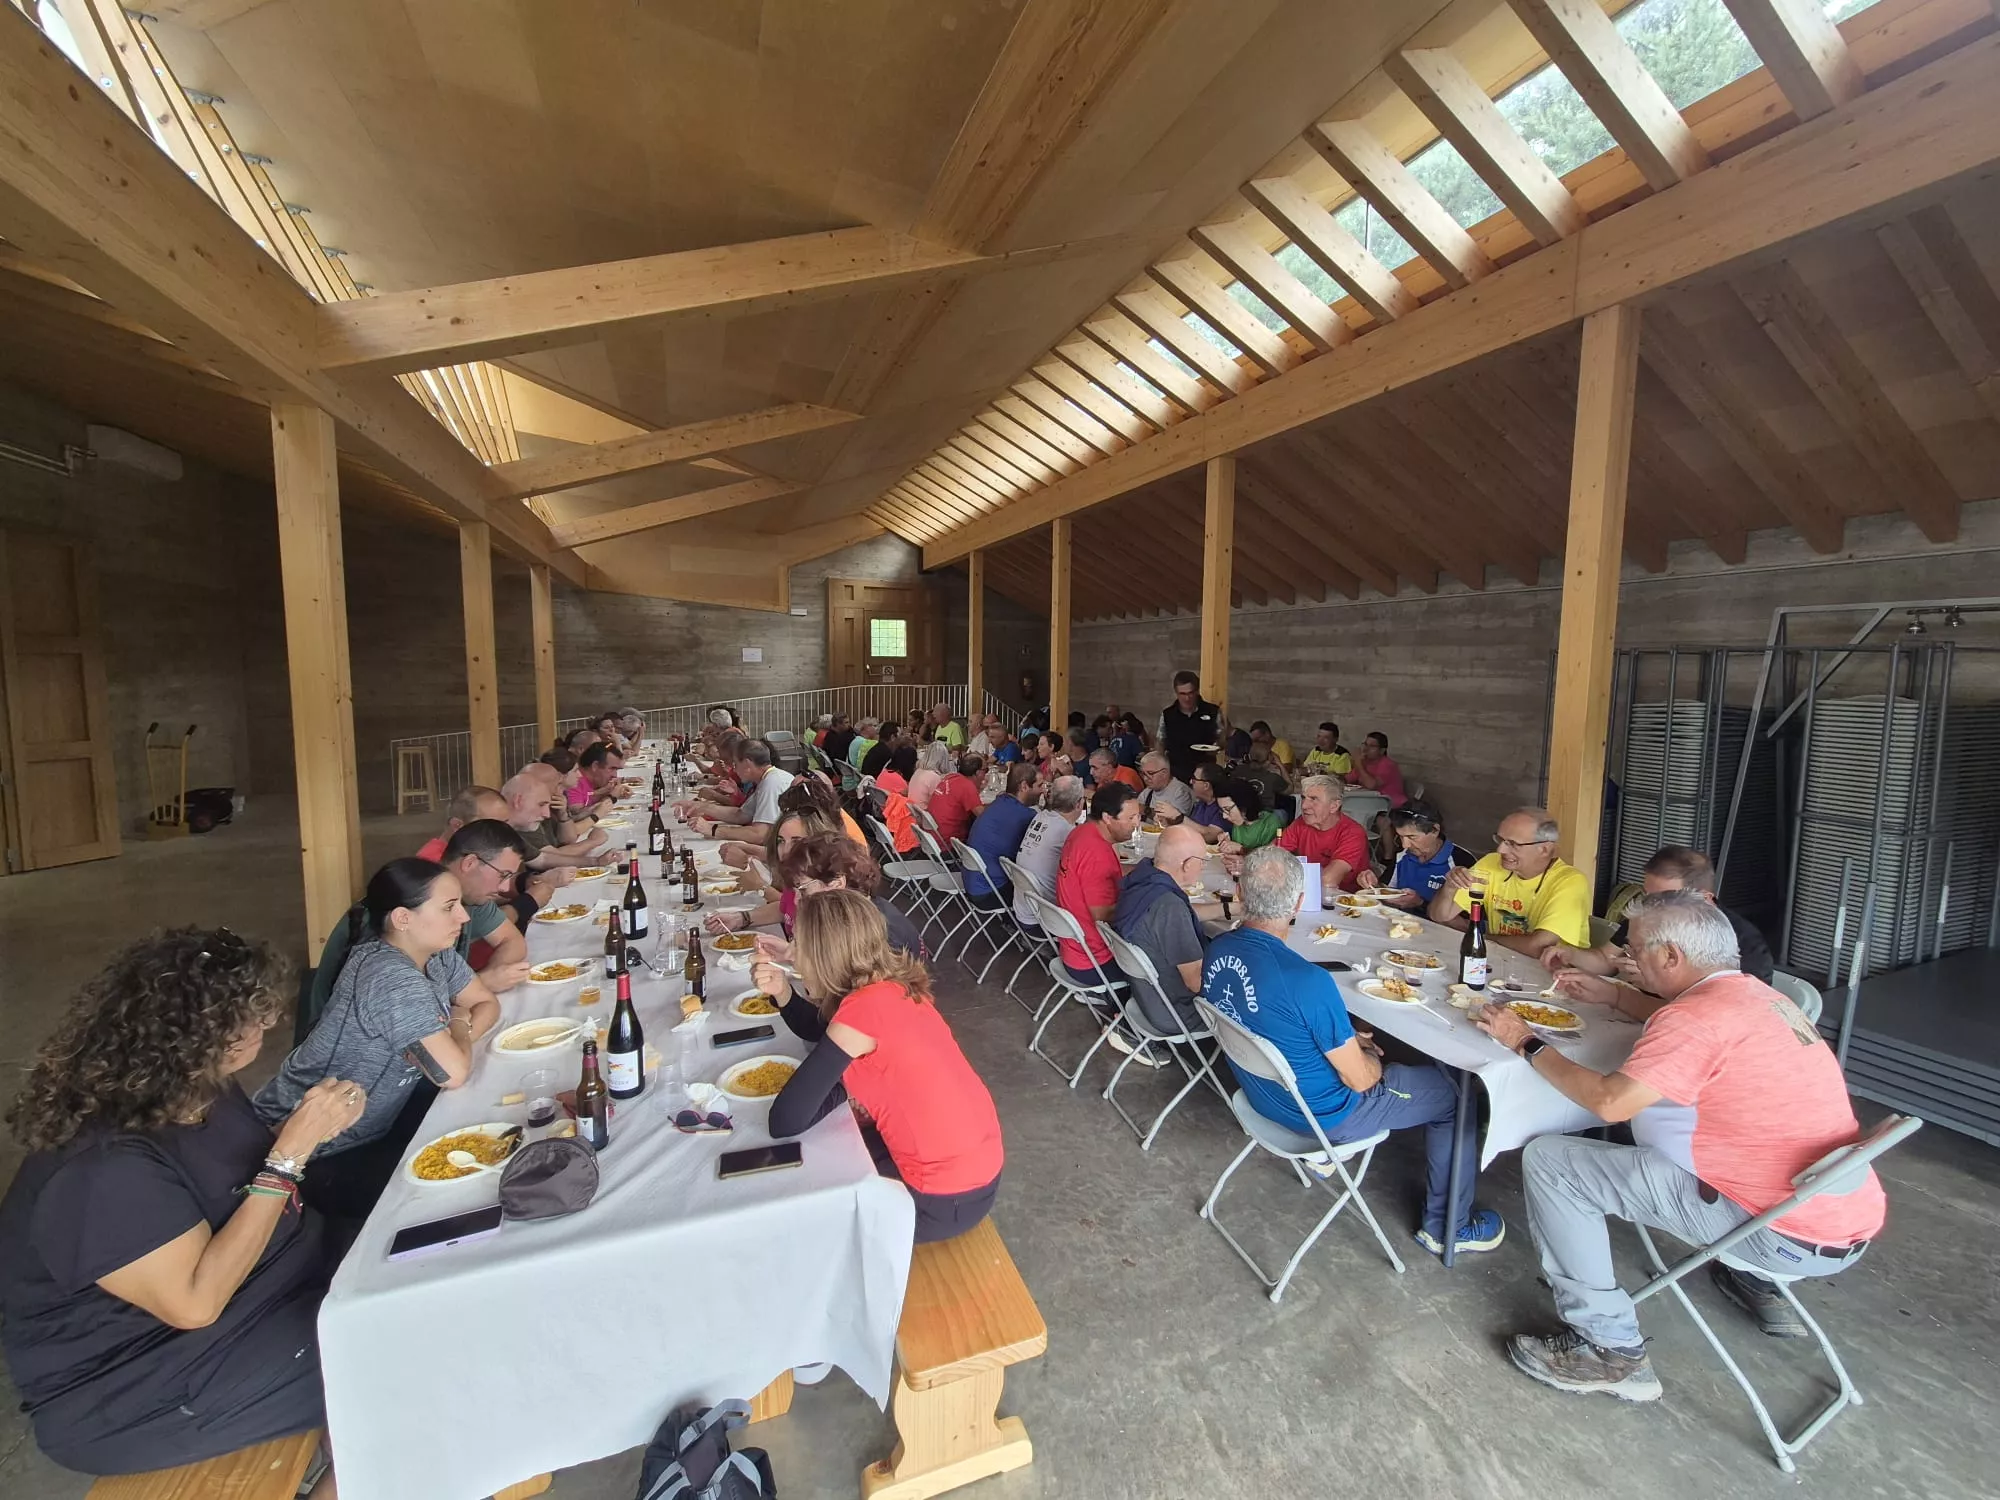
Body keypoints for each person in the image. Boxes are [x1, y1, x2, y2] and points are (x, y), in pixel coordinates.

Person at [1474, 892, 1886, 1400]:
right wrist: (1616, 996)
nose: (1627, 956)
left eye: (1638, 948)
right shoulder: (1761, 997)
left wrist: (1523, 1041)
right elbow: (1693, 1023)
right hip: (1838, 1217)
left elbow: (1608, 1103)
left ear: (1672, 957)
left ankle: (1610, 1349)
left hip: (1774, 1229)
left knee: (1553, 1162)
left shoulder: (1694, 1020)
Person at [0, 930, 364, 1486]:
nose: (266, 1029)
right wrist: (290, 1154)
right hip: (145, 1380)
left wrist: (312, 1129)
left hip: (267, 1288)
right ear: (195, 1035)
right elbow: (195, 1304)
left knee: (414, 1260)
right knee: (393, 1355)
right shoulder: (99, 1169)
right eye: (251, 1019)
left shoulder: (196, 1086)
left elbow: (223, 1174)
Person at [1203, 849, 1502, 1254]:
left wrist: (1345, 1040)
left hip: (1260, 1097)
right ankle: (1448, 1227)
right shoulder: (1307, 981)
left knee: (1361, 1046)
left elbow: (1269, 1019)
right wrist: (1375, 1059)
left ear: (1240, 891)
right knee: (1459, 1097)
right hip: (1326, 1116)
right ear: (1296, 903)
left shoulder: (1219, 950)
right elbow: (1361, 1079)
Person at [257, 859, 502, 1219]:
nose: (464, 918)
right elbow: (452, 1073)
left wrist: (453, 1036)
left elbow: (485, 1002)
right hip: (312, 1152)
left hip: (374, 1126)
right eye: (449, 908)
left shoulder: (436, 956)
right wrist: (458, 1028)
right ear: (403, 918)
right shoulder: (389, 976)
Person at [763, 891, 1002, 1243]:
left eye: (799, 945)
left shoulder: (861, 1013)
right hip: (976, 1178)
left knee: (792, 1201)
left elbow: (784, 1121)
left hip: (938, 1201)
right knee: (837, 1141)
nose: (793, 958)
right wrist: (783, 993)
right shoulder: (891, 989)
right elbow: (823, 1033)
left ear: (825, 955)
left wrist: (831, 1088)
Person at [1546, 847, 1775, 1002]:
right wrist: (1570, 954)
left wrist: (1657, 981)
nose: (1652, 906)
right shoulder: (1650, 916)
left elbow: (1721, 1019)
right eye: (1648, 896)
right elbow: (1607, 959)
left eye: (1665, 898)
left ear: (1705, 898)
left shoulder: (1746, 945)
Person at [1428, 808, 1591, 956]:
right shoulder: (1492, 863)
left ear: (1544, 850)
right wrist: (1450, 887)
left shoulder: (1570, 882)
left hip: (1553, 976)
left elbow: (1538, 947)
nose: (1501, 850)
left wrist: (1483, 937)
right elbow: (1440, 916)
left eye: (1513, 844)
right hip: (1501, 960)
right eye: (1500, 840)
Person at [1114, 824, 1211, 1033]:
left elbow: (1185, 914)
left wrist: (1229, 909)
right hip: (1177, 1012)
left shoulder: (1143, 881)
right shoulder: (1170, 908)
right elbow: (1196, 983)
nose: (1203, 868)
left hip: (1145, 997)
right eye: (1202, 861)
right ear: (1186, 864)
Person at [1055, 782, 1142, 984]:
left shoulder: (1082, 833)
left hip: (1073, 948)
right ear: (1107, 818)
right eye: (1130, 818)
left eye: (1138, 816)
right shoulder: (1097, 854)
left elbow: (1112, 873)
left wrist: (1149, 871)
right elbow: (1104, 916)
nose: (1137, 823)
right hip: (1095, 961)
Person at [1012, 775, 1087, 931]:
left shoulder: (1040, 816)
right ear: (1079, 804)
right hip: (1045, 919)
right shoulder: (1068, 833)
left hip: (1023, 908)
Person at [1273, 775, 1371, 892]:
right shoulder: (1301, 823)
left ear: (1334, 806)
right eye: (1303, 798)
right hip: (1310, 893)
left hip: (1348, 901)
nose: (1304, 805)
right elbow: (1269, 855)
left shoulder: (1352, 833)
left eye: (1313, 799)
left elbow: (1328, 880)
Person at [690, 740, 795, 843]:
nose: (734, 770)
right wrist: (702, 806)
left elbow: (761, 835)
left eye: (735, 764)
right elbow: (740, 815)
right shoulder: (767, 778)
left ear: (747, 764)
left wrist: (713, 830)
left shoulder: (772, 783)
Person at [966, 762, 1040, 905]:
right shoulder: (1026, 816)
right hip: (989, 891)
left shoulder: (998, 802)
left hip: (973, 881)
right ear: (1024, 786)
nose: (1043, 790)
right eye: (1039, 785)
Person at [1376, 801, 1476, 906]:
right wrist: (1373, 885)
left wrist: (1420, 903)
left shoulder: (1461, 861)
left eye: (1412, 837)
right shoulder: (1403, 855)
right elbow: (1385, 891)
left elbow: (1467, 919)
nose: (1405, 845)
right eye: (1401, 836)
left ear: (1435, 830)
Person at [1158, 670, 1222, 782]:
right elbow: (1160, 741)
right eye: (1182, 694)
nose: (1187, 698)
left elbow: (1222, 738)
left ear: (1197, 691)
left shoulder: (1212, 711)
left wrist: (1217, 746)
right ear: (1176, 692)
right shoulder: (1168, 714)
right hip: (1176, 772)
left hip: (1205, 773)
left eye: (1190, 693)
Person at [415, 784, 505, 861]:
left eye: (506, 824)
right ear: (457, 825)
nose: (505, 833)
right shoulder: (434, 864)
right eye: (491, 827)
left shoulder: (473, 851)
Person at [1215, 778, 1280, 855]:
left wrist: (1240, 849)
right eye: (1222, 810)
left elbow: (1267, 858)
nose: (1224, 816)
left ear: (1243, 805)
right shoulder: (1239, 822)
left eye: (1228, 809)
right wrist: (1228, 844)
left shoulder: (1270, 823)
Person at [1345, 731, 1405, 806]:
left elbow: (1371, 785)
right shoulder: (1365, 761)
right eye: (1365, 745)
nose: (1365, 749)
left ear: (1382, 751)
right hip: (1369, 800)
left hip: (1387, 803)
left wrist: (1359, 764)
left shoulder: (1388, 765)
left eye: (1372, 746)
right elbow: (1347, 779)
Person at [1136, 750, 1196, 823]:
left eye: (1150, 773)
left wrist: (1146, 810)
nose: (1145, 778)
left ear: (1164, 773)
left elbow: (1177, 821)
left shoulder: (1181, 792)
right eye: (1143, 774)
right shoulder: (1147, 792)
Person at [1235, 743, 1290, 807]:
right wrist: (1280, 764)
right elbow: (1289, 790)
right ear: (1268, 760)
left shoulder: (1238, 769)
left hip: (1239, 809)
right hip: (1264, 814)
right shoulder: (1273, 778)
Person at [907, 739, 954, 810]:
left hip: (913, 812)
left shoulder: (918, 771)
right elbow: (942, 802)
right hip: (925, 816)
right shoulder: (934, 778)